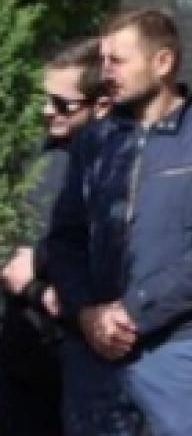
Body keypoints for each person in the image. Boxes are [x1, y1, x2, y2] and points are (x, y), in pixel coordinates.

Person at [44, 9, 192, 436]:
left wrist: (134, 310)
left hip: (176, 348)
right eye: (104, 60)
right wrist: (86, 312)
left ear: (163, 62)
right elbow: (65, 239)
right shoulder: (94, 142)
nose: (106, 72)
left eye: (118, 61)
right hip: (93, 350)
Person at [0, 39, 110, 435]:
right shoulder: (34, 156)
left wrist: (39, 279)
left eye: (63, 104)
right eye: (45, 100)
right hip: (21, 352)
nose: (49, 111)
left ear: (101, 105)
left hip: (84, 350)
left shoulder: (115, 168)